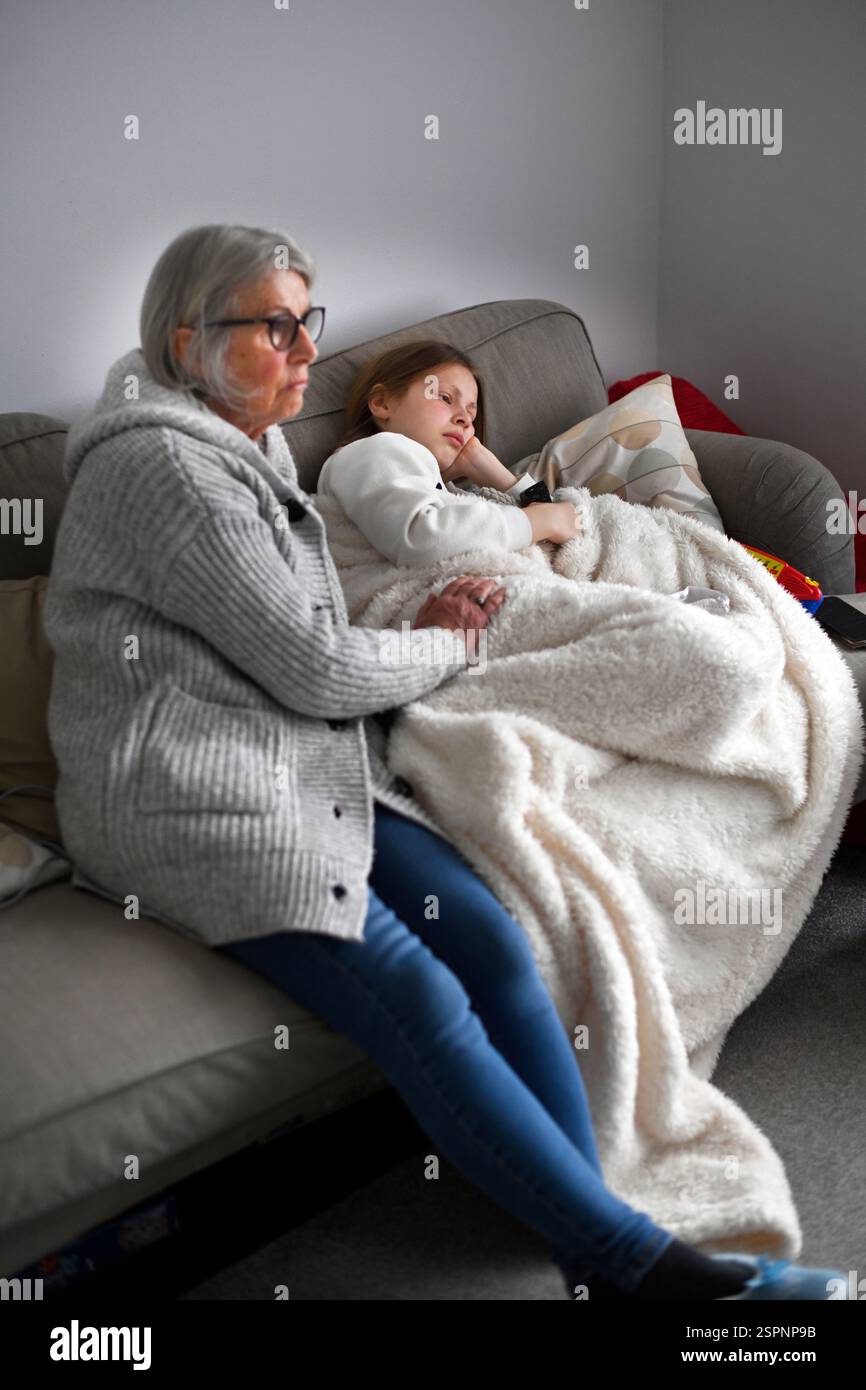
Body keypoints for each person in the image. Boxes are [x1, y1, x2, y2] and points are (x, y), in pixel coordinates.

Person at [42, 223, 846, 1301]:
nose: (302, 351)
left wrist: (415, 615)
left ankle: (590, 1204)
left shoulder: (246, 436)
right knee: (417, 992)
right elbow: (317, 663)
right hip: (188, 786)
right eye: (272, 326)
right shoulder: (162, 467)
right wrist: (450, 641)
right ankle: (632, 1269)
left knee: (488, 936)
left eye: (304, 321)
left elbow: (291, 625)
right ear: (188, 338)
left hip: (302, 747)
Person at [316, 338, 582, 568]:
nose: (465, 420)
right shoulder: (372, 451)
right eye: (445, 398)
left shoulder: (446, 490)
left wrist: (495, 474)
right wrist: (535, 521)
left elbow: (562, 531)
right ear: (382, 402)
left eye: (471, 412)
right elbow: (421, 538)